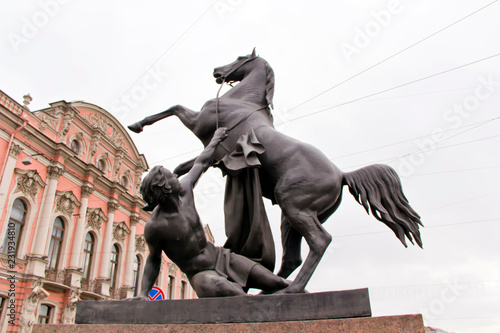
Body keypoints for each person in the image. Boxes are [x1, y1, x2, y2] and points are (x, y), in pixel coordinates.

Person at [130, 127, 288, 299]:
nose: (177, 177)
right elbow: (153, 259)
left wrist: (216, 139)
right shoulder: (156, 226)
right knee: (232, 293)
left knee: (277, 282)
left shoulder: (185, 191)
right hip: (200, 274)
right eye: (172, 177)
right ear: (165, 187)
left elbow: (201, 163)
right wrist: (144, 293)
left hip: (221, 257)